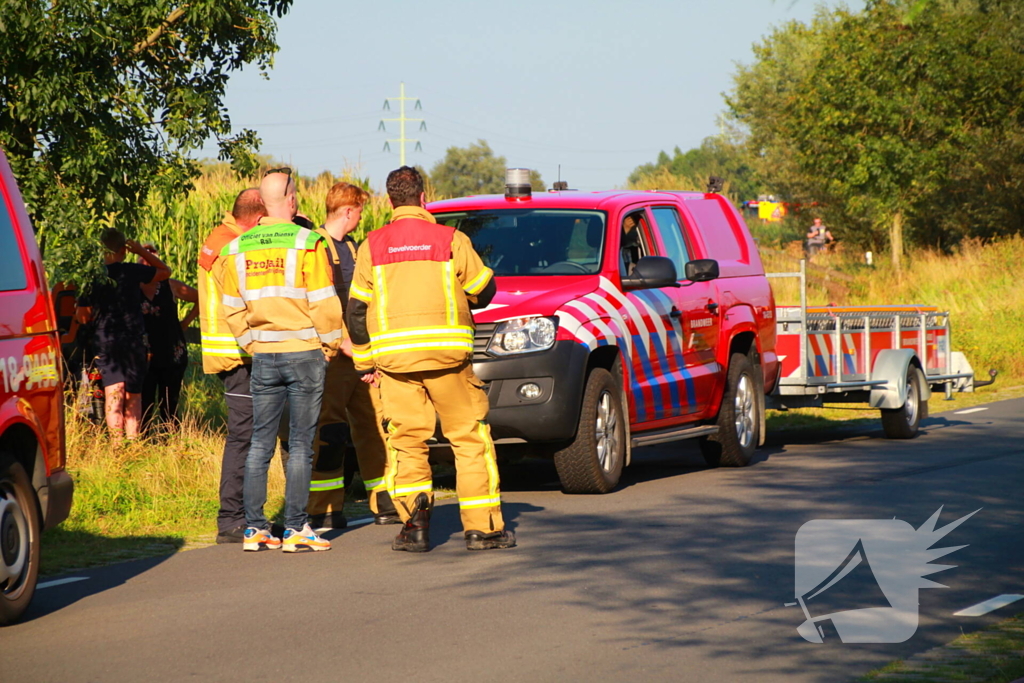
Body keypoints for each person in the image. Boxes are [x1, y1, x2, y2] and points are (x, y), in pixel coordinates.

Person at [347, 166, 515, 553]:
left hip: (395, 364)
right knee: (470, 440)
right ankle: (483, 529)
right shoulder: (449, 239)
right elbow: (484, 290)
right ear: (424, 198)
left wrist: (364, 364)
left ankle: (415, 526)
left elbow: (356, 312)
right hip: (448, 361)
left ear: (389, 202)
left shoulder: (372, 245)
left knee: (407, 443)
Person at [221, 169, 344, 553]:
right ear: (291, 200)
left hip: (264, 354)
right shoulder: (308, 242)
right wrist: (328, 346)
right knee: (303, 444)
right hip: (304, 350)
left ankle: (255, 529)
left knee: (260, 442)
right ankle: (294, 529)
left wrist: (252, 344)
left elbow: (231, 309)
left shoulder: (237, 249)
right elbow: (324, 302)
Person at [279, 182, 400, 529]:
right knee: (330, 434)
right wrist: (345, 343)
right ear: (348, 210)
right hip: (330, 358)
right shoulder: (316, 247)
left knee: (375, 430)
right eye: (360, 211)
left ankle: (385, 501)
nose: (361, 217)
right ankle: (325, 508)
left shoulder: (354, 247)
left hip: (361, 356)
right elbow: (317, 304)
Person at [197, 188, 266, 544]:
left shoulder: (220, 236)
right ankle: (231, 518)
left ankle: (242, 514)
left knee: (246, 434)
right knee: (244, 436)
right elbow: (242, 301)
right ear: (256, 219)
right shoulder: (231, 248)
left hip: (229, 350)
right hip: (238, 352)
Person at [76, 229, 171, 439]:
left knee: (113, 392)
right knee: (133, 395)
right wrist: (142, 251)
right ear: (124, 250)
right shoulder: (131, 271)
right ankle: (133, 442)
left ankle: (117, 446)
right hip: (133, 338)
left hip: (105, 339)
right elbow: (165, 271)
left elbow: (83, 317)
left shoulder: (92, 276)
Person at [139, 244, 198, 428]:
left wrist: (186, 323)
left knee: (169, 401)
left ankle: (170, 441)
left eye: (153, 259)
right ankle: (142, 442)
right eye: (144, 260)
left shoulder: (170, 285)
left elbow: (200, 298)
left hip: (172, 351)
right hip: (144, 353)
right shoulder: (131, 286)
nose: (148, 264)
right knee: (143, 401)